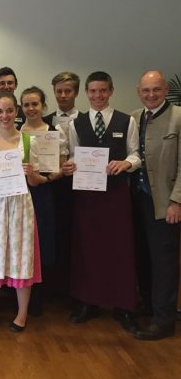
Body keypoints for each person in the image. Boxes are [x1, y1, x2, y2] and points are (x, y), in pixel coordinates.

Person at [62, 71, 140, 332]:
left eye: (102, 91)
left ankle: (123, 306)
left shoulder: (126, 120)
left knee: (120, 250)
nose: (98, 96)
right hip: (86, 196)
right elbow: (73, 155)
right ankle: (87, 303)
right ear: (86, 93)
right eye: (93, 91)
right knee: (87, 249)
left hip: (116, 195)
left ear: (111, 91)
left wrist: (126, 163)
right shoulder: (77, 124)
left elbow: (136, 154)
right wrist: (70, 166)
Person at [0, 92, 43, 332]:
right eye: (0, 111)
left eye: (9, 110)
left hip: (20, 205)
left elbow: (36, 181)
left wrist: (31, 173)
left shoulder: (28, 141)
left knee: (21, 256)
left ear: (16, 112)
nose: (5, 115)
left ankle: (22, 314)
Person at [131, 70, 181, 340]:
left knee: (164, 261)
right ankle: (148, 306)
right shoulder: (134, 117)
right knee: (142, 256)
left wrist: (177, 201)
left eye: (157, 90)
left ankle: (164, 320)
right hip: (136, 200)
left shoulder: (179, 117)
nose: (151, 95)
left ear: (165, 90)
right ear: (139, 91)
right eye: (146, 90)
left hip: (164, 203)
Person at [19, 86, 67, 315]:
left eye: (35, 104)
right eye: (26, 105)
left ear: (43, 106)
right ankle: (21, 294)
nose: (31, 108)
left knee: (43, 241)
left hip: (44, 193)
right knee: (24, 242)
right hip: (20, 194)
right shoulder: (16, 132)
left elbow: (62, 167)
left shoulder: (53, 131)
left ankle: (39, 297)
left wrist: (43, 179)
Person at [44, 72, 83, 296]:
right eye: (59, 91)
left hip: (80, 186)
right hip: (52, 185)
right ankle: (53, 287)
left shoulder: (87, 120)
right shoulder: (46, 122)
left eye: (68, 91)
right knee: (53, 232)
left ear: (76, 92)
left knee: (74, 235)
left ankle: (73, 289)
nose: (63, 95)